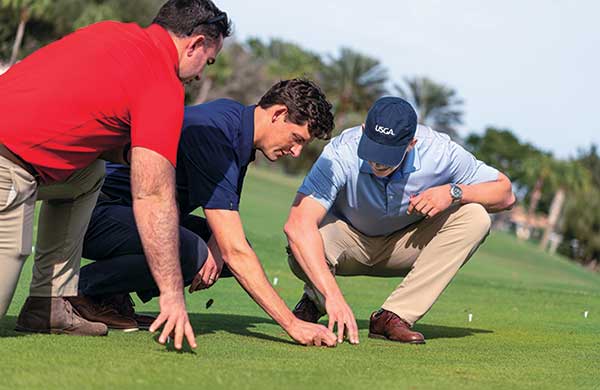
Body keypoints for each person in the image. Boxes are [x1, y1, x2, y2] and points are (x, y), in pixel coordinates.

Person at [0, 0, 231, 350]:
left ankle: (47, 303)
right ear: (195, 43)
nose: (201, 73)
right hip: (8, 163)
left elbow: (82, 118)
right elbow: (152, 198)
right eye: (208, 60)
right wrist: (171, 295)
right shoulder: (162, 82)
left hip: (25, 158)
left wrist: (133, 150)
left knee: (89, 174)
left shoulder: (110, 33)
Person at [72, 79, 339, 346]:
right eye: (297, 139)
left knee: (217, 247)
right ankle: (77, 290)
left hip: (129, 215)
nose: (296, 152)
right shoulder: (217, 132)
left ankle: (110, 295)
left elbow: (226, 215)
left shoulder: (238, 127)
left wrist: (217, 244)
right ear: (279, 113)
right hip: (93, 212)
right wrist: (293, 325)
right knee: (192, 251)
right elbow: (235, 252)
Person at [284, 97, 516, 344]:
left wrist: (453, 192)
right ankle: (315, 300)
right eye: (372, 149)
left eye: (387, 154)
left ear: (411, 143)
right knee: (304, 237)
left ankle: (393, 317)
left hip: (405, 245)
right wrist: (333, 296)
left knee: (476, 217)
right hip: (345, 242)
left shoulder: (441, 152)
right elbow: (298, 224)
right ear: (364, 130)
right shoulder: (342, 150)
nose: (377, 162)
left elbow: (505, 193)